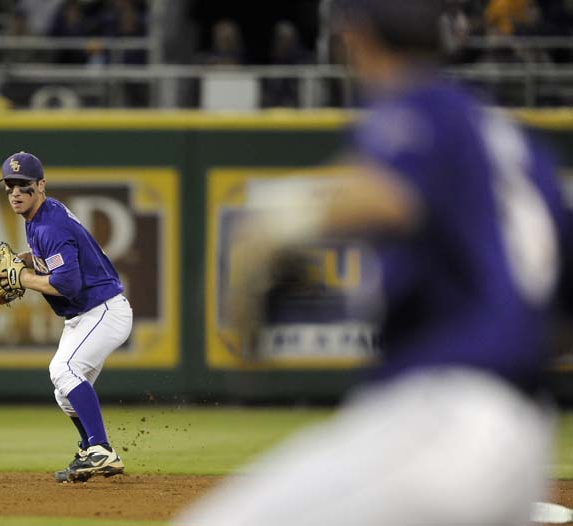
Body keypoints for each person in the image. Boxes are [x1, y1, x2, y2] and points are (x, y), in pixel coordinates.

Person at [175, 0, 573, 524]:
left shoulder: (420, 107)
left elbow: (387, 194)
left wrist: (280, 215)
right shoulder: (518, 146)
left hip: (444, 421)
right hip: (522, 434)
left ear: (354, 37)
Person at [0, 151, 133, 483]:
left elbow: (68, 284)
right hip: (87, 314)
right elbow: (56, 261)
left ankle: (101, 450)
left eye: (23, 185)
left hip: (103, 311)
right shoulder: (40, 217)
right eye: (10, 185)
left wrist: (22, 278)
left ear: (40, 185)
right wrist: (27, 260)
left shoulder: (49, 224)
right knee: (63, 389)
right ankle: (90, 450)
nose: (15, 192)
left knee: (64, 369)